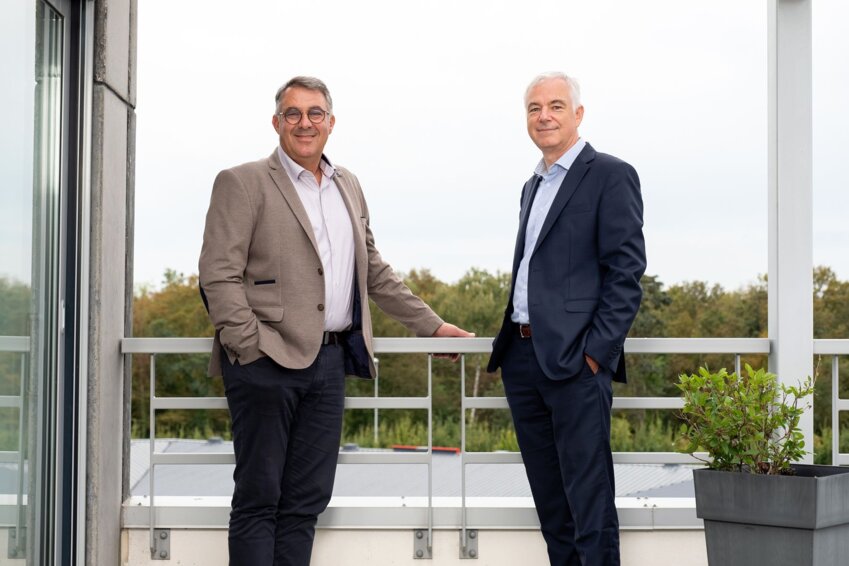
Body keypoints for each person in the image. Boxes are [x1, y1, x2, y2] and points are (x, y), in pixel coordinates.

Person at [198, 76, 473, 566]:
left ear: (331, 122)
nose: (305, 123)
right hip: (265, 362)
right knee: (260, 499)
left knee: (305, 503)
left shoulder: (348, 184)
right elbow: (218, 275)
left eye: (315, 113)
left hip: (329, 366)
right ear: (276, 122)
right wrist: (249, 347)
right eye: (294, 113)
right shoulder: (241, 182)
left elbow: (374, 271)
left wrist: (431, 326)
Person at [487, 72, 646, 566]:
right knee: (552, 507)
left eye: (556, 106)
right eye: (534, 108)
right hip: (523, 357)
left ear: (578, 115)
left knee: (589, 503)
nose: (544, 116)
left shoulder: (610, 175)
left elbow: (626, 272)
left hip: (577, 364)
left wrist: (596, 354)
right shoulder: (531, 185)